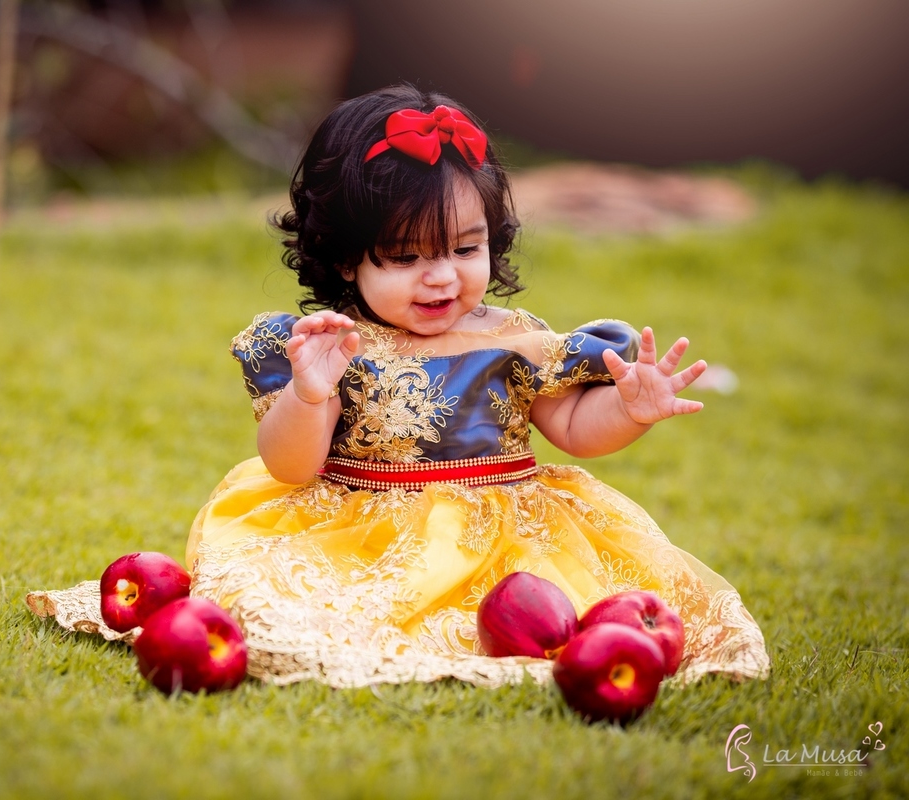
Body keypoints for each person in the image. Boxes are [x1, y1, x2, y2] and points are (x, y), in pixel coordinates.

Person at [185, 84, 769, 689]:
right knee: (306, 610)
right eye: (405, 257)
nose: (441, 276)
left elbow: (572, 429)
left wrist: (628, 409)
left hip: (505, 538)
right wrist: (308, 393)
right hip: (361, 534)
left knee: (550, 622)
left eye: (466, 248)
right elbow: (291, 466)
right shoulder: (335, 347)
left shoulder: (515, 340)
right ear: (343, 258)